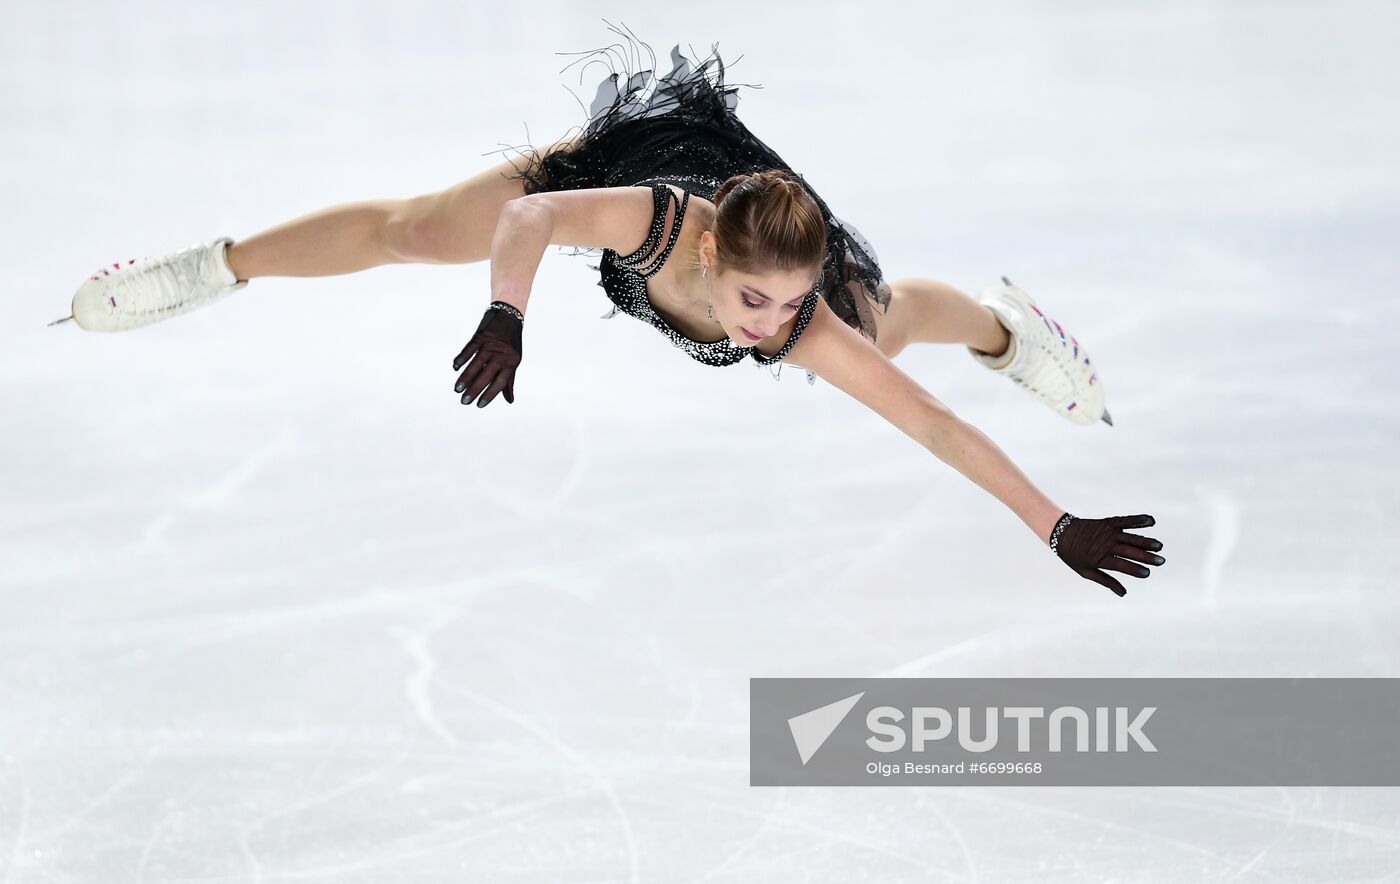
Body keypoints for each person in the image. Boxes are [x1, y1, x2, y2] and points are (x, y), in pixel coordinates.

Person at [51, 23, 1165, 596]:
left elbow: (927, 422)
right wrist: (505, 315)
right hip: (609, 165)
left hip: (796, 246)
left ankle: (1005, 329)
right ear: (714, 247)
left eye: (783, 308)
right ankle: (207, 268)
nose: (767, 327)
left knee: (883, 329)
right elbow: (530, 226)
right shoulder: (654, 216)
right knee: (411, 230)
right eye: (752, 300)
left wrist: (1051, 522)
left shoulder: (798, 314)